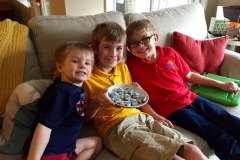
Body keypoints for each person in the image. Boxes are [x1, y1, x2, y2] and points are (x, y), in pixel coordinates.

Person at [82, 21, 208, 160]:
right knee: (170, 157)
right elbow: (83, 120)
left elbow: (132, 97)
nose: (113, 54)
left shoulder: (122, 68)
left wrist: (150, 110)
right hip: (116, 127)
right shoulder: (86, 77)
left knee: (191, 149)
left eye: (119, 48)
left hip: (142, 117)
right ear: (94, 48)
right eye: (107, 47)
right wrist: (97, 103)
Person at [126, 18, 240, 160]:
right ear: (129, 48)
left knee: (225, 117)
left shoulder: (170, 53)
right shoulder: (131, 66)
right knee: (214, 132)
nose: (141, 46)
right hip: (171, 109)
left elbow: (189, 75)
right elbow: (138, 96)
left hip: (190, 97)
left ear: (155, 38)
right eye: (134, 43)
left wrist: (220, 84)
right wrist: (154, 115)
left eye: (144, 39)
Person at [22, 41, 102, 160]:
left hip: (65, 147)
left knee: (96, 142)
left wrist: (98, 102)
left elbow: (80, 119)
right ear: (60, 67)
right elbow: (44, 126)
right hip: (51, 152)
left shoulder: (71, 89)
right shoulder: (62, 92)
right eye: (75, 61)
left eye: (87, 63)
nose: (82, 65)